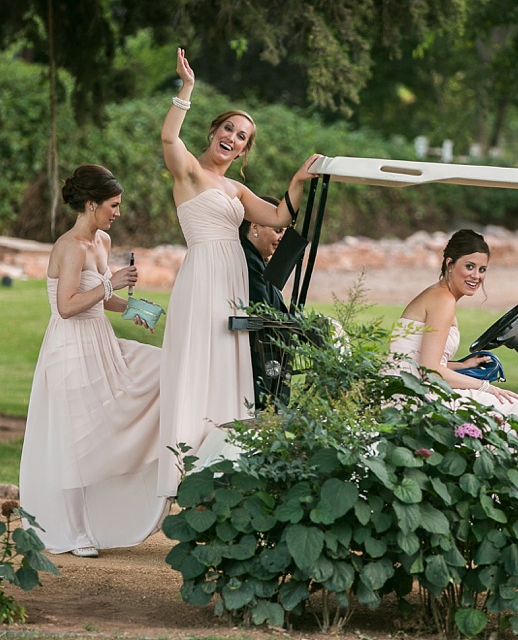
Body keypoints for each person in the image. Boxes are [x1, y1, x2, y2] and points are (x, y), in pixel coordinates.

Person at [159, 47, 320, 496]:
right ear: (213, 132)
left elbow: (279, 219)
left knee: (229, 371)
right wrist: (186, 90)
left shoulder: (237, 188)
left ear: (245, 149)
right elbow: (171, 140)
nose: (232, 136)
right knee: (198, 367)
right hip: (203, 279)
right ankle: (181, 474)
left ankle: (222, 475)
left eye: (242, 135)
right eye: (228, 128)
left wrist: (297, 183)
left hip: (232, 285)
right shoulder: (189, 172)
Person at [19, 164, 169, 558]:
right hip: (70, 347)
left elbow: (101, 298)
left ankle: (164, 477)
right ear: (91, 204)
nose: (117, 212)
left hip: (102, 340)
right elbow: (67, 307)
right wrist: (110, 282)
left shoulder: (101, 241)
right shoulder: (68, 247)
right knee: (75, 440)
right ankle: (79, 532)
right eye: (113, 205)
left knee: (168, 369)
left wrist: (136, 306)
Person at [387, 229, 518, 441]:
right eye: (469, 266)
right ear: (450, 264)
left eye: (482, 269)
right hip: (415, 396)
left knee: (510, 407)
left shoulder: (439, 296)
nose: (476, 276)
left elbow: (421, 360)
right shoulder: (442, 301)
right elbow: (430, 372)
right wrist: (485, 387)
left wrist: (462, 366)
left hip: (412, 386)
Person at [239, 198, 290, 409]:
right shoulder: (249, 260)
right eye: (278, 230)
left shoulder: (259, 260)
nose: (282, 237)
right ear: (255, 226)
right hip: (257, 355)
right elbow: (261, 309)